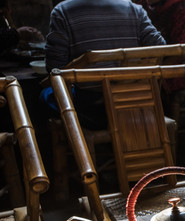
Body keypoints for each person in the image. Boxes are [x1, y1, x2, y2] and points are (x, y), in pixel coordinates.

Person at [43, 0, 166, 130]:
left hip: (93, 107)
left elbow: (54, 67)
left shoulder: (62, 11)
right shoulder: (134, 9)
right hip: (136, 100)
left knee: (46, 94)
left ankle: (79, 138)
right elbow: (160, 47)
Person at [137, 0, 185, 93]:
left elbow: (182, 52)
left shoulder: (183, 11)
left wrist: (155, 69)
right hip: (156, 60)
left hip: (182, 67)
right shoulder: (148, 6)